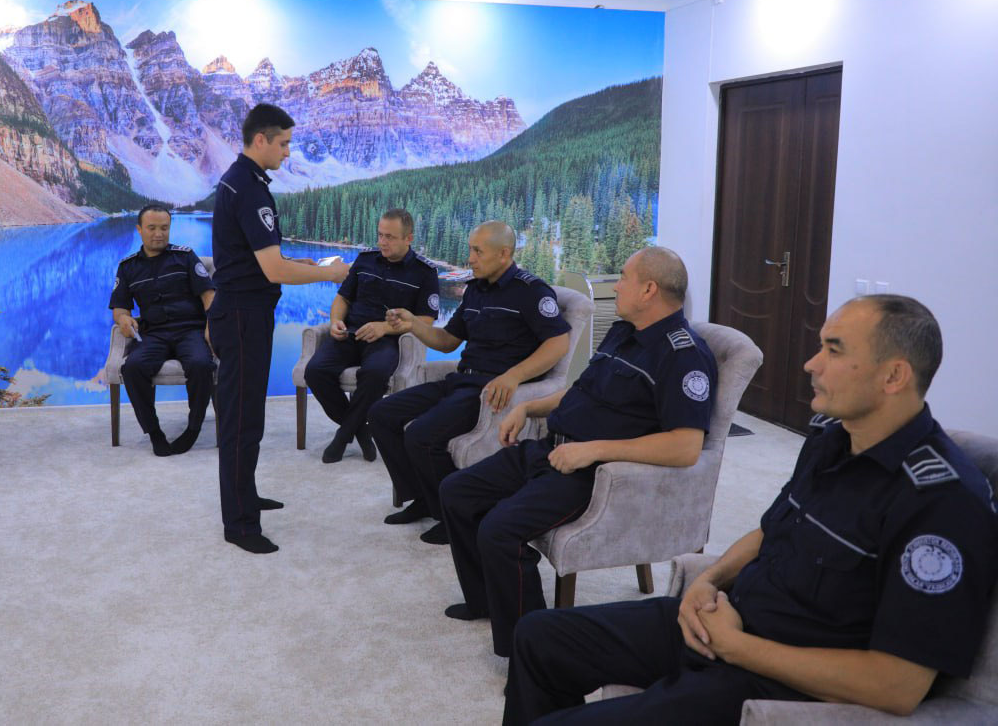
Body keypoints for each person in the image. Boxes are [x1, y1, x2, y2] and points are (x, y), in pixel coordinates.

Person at [505, 294, 998, 725]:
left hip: (774, 681)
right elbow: (769, 531)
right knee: (540, 636)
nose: (811, 364)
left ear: (894, 375)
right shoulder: (832, 438)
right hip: (727, 622)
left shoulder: (944, 503)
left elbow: (897, 686)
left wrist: (739, 648)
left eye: (834, 350)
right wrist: (708, 580)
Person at [439, 247, 717, 658]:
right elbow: (579, 391)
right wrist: (528, 408)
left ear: (649, 290)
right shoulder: (622, 331)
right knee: (456, 490)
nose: (616, 286)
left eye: (624, 278)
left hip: (594, 474)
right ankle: (485, 600)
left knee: (499, 530)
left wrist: (592, 451)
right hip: (550, 449)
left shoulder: (683, 356)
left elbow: (686, 446)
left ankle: (529, 648)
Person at [370, 221, 570, 545]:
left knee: (421, 435)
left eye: (478, 251)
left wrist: (514, 376)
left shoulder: (531, 291)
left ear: (504, 253)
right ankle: (423, 498)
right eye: (470, 250)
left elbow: (559, 343)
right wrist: (412, 324)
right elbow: (448, 341)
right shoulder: (476, 288)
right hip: (460, 381)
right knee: (381, 414)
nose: (470, 258)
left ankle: (453, 515)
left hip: (487, 391)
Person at [209, 103, 350, 554]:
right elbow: (272, 270)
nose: (288, 152)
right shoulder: (249, 189)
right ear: (261, 140)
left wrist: (298, 262)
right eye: (284, 143)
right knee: (241, 419)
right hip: (243, 316)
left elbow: (258, 258)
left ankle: (245, 496)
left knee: (248, 414)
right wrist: (328, 273)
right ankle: (239, 525)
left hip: (243, 312)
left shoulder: (242, 181)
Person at [304, 208, 440, 464]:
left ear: (408, 238)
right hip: (351, 333)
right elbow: (342, 298)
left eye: (390, 237)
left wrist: (385, 328)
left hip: (388, 340)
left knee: (375, 374)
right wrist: (335, 321)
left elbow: (425, 321)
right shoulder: (365, 260)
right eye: (380, 235)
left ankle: (342, 438)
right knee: (315, 371)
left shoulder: (425, 272)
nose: (382, 242)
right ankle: (360, 431)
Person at [110, 204, 216, 457]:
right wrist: (123, 319)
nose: (159, 234)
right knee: (133, 367)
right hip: (153, 334)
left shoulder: (185, 256)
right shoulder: (128, 267)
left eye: (164, 228)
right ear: (139, 229)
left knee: (201, 364)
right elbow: (120, 308)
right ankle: (154, 433)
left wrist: (212, 325)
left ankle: (193, 428)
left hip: (190, 330)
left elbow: (209, 295)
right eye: (152, 228)